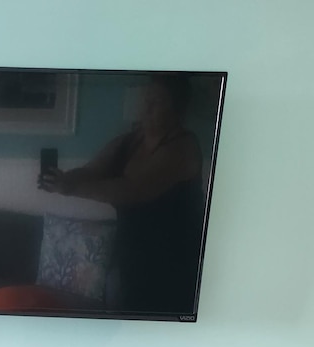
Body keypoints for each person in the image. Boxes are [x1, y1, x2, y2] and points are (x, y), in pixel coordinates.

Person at [39, 74, 205, 314]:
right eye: (146, 99)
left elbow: (132, 190)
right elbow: (93, 171)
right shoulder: (131, 140)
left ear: (178, 109)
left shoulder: (184, 147)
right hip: (133, 259)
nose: (146, 108)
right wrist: (62, 179)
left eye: (156, 102)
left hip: (173, 263)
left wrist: (71, 188)